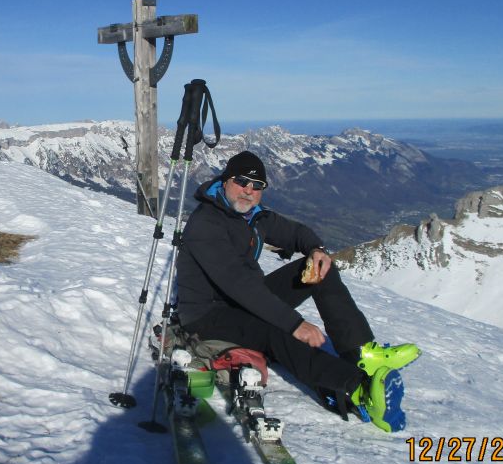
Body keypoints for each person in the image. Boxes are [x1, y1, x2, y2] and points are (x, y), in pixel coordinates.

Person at [175, 150, 419, 432]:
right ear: (226, 180)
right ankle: (358, 390)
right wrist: (294, 324)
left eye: (257, 186)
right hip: (208, 315)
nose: (249, 191)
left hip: (242, 300)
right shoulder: (206, 224)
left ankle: (361, 353)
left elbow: (295, 232)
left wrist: (316, 249)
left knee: (318, 269)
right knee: (275, 328)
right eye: (242, 182)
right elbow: (238, 284)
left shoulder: (253, 216)